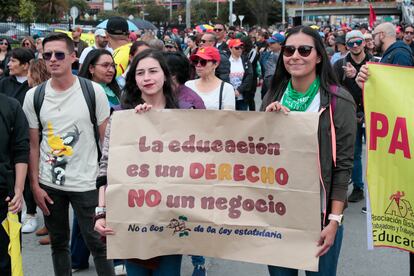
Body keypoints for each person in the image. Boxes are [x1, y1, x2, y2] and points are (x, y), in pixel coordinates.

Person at [262, 25, 356, 276]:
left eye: (304, 50)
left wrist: (334, 221)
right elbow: (257, 155)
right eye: (289, 50)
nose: (295, 56)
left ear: (318, 57)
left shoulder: (339, 100)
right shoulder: (273, 94)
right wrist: (267, 125)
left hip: (320, 217)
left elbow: (344, 167)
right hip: (279, 214)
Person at [22, 32, 114, 276]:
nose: (53, 59)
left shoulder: (93, 91)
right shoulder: (34, 96)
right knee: (59, 244)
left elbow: (107, 143)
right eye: (47, 55)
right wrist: (35, 186)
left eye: (59, 54)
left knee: (99, 245)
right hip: (50, 184)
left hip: (88, 183)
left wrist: (108, 185)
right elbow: (33, 144)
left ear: (73, 57)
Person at [94, 49, 182, 276]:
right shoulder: (122, 118)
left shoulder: (183, 119)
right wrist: (101, 212)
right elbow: (106, 167)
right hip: (133, 217)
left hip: (172, 219)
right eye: (140, 73)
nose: (147, 78)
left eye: (153, 71)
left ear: (165, 75)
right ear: (134, 79)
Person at [333, 30, 373, 204]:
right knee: (354, 154)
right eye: (351, 43)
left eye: (358, 42)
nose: (355, 46)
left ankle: (377, 189)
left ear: (364, 43)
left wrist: (356, 77)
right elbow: (333, 91)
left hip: (373, 115)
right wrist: (348, 79)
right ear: (347, 45)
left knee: (376, 154)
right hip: (350, 117)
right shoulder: (340, 65)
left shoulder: (375, 63)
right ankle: (358, 187)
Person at [0, 92, 29, 276]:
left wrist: (19, 190)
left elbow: (21, 150)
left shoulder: (11, 106)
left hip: (5, 199)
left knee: (6, 261)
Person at [26, 59, 51, 245]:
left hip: (45, 143)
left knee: (47, 186)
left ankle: (54, 229)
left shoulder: (40, 94)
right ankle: (49, 224)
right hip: (39, 141)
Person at [185, 46, 235, 110]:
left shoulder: (226, 88)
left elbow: (229, 116)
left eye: (203, 62)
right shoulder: (188, 85)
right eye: (195, 61)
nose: (198, 65)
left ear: (215, 64)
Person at [228, 39, 253, 111]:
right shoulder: (226, 61)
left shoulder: (245, 60)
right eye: (237, 48)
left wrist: (239, 90)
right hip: (229, 96)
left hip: (243, 96)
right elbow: (224, 77)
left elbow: (249, 76)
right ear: (230, 48)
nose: (239, 50)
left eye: (241, 47)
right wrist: (232, 91)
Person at [263, 33, 285, 99]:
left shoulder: (285, 56)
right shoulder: (268, 53)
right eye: (269, 43)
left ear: (280, 44)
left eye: (272, 43)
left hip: (279, 87)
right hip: (268, 86)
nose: (270, 45)